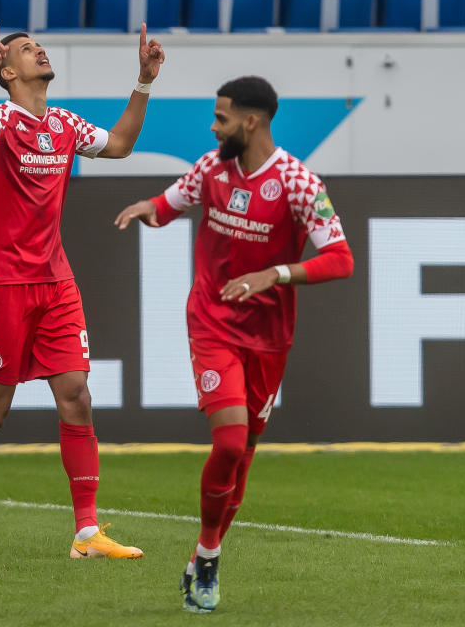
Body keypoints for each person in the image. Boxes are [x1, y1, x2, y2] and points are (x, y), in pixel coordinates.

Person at [0, 23, 164, 560]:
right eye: (27, 49)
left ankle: (87, 534)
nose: (40, 50)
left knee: (76, 396)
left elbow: (119, 145)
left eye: (38, 46)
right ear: (7, 71)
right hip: (1, 283)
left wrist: (143, 82)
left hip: (56, 282)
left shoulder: (64, 124)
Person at [114, 76, 354, 613]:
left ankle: (205, 554)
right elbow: (168, 204)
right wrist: (145, 209)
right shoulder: (211, 168)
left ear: (251, 121)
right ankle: (209, 557)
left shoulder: (297, 181)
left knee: (241, 458)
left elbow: (340, 258)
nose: (213, 126)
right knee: (227, 443)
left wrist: (278, 273)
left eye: (221, 117)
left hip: (268, 340)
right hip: (212, 322)